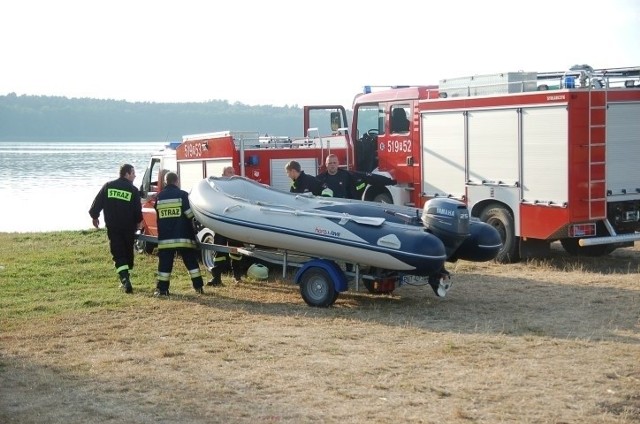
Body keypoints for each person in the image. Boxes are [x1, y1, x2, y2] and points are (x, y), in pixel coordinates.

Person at [89, 163, 143, 294]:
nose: (135, 175)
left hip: (113, 227)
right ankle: (126, 278)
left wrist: (94, 216)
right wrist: (139, 222)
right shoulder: (133, 190)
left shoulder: (108, 186)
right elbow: (137, 210)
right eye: (133, 173)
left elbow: (97, 203)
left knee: (118, 253)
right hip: (128, 228)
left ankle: (124, 279)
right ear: (127, 174)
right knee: (127, 253)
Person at [153, 172, 205, 296]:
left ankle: (163, 290)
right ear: (177, 181)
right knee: (191, 262)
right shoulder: (182, 195)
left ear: (166, 182)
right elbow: (189, 214)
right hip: (184, 238)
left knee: (165, 265)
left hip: (166, 239)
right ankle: (198, 287)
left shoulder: (159, 197)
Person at [208, 166, 245, 286]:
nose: (232, 174)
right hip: (221, 224)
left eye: (234, 172)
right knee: (219, 251)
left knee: (236, 251)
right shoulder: (217, 186)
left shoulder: (237, 187)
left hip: (235, 223)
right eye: (230, 172)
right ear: (223, 174)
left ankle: (237, 276)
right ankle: (216, 278)